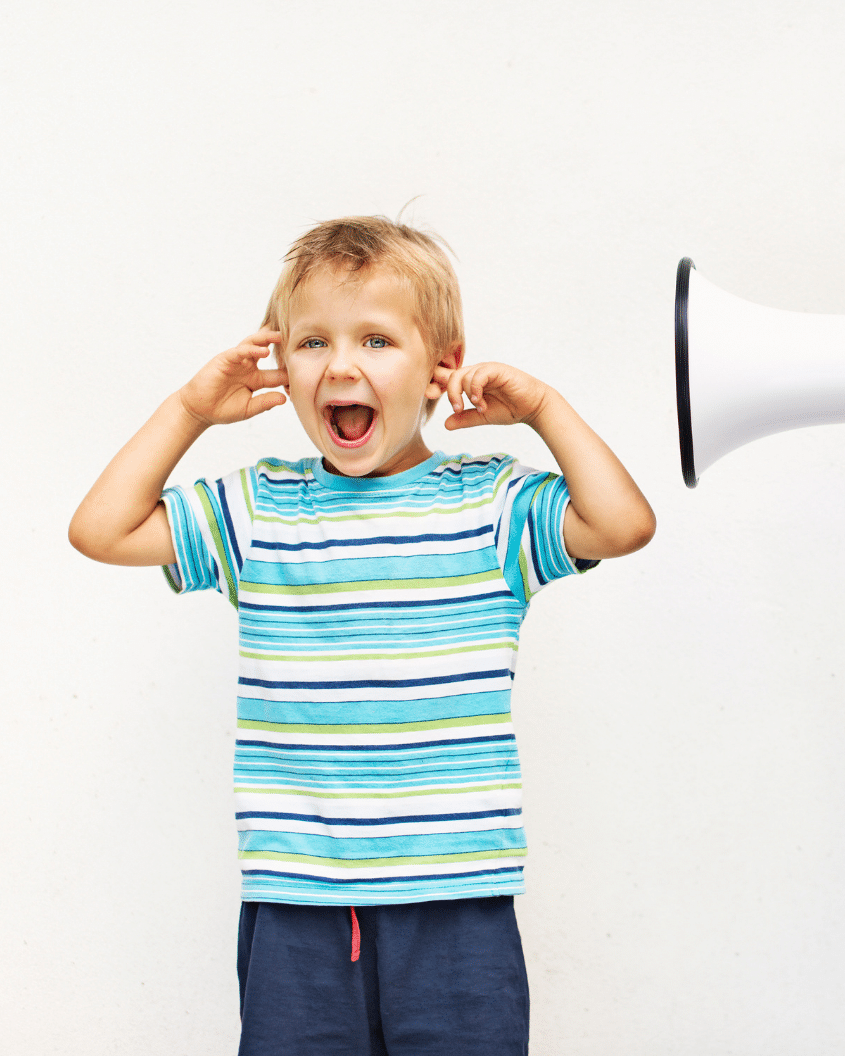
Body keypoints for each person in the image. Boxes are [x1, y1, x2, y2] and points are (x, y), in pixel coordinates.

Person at [69, 216, 656, 1055]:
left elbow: (623, 524)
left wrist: (542, 410)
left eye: (377, 339)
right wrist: (190, 410)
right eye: (312, 343)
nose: (341, 365)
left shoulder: (487, 504)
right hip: (300, 903)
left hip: (456, 897)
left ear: (440, 366)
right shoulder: (261, 507)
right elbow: (101, 529)